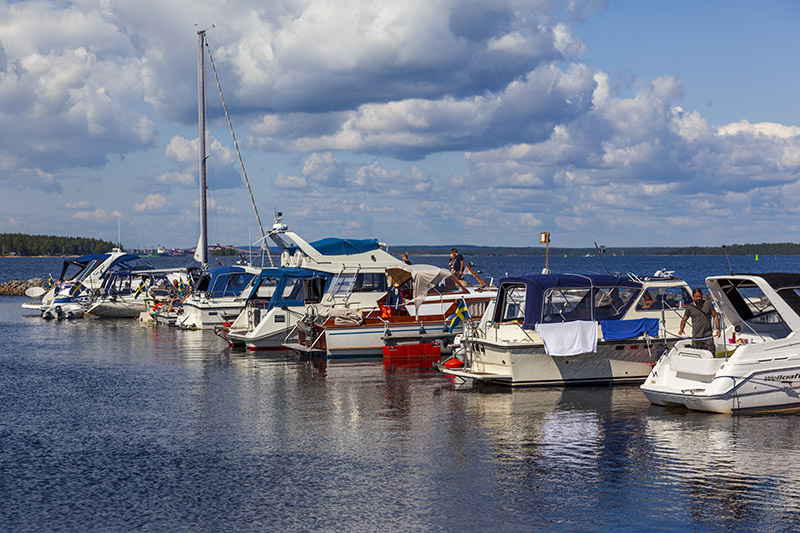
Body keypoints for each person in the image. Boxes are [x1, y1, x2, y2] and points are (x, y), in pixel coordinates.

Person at [678, 288, 720, 352]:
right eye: (696, 297)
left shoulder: (708, 304)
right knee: (696, 355)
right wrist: (681, 329)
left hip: (707, 336)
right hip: (696, 336)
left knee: (711, 353)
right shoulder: (690, 307)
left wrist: (718, 328)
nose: (698, 298)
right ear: (693, 297)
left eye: (700, 296)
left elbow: (715, 316)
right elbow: (684, 319)